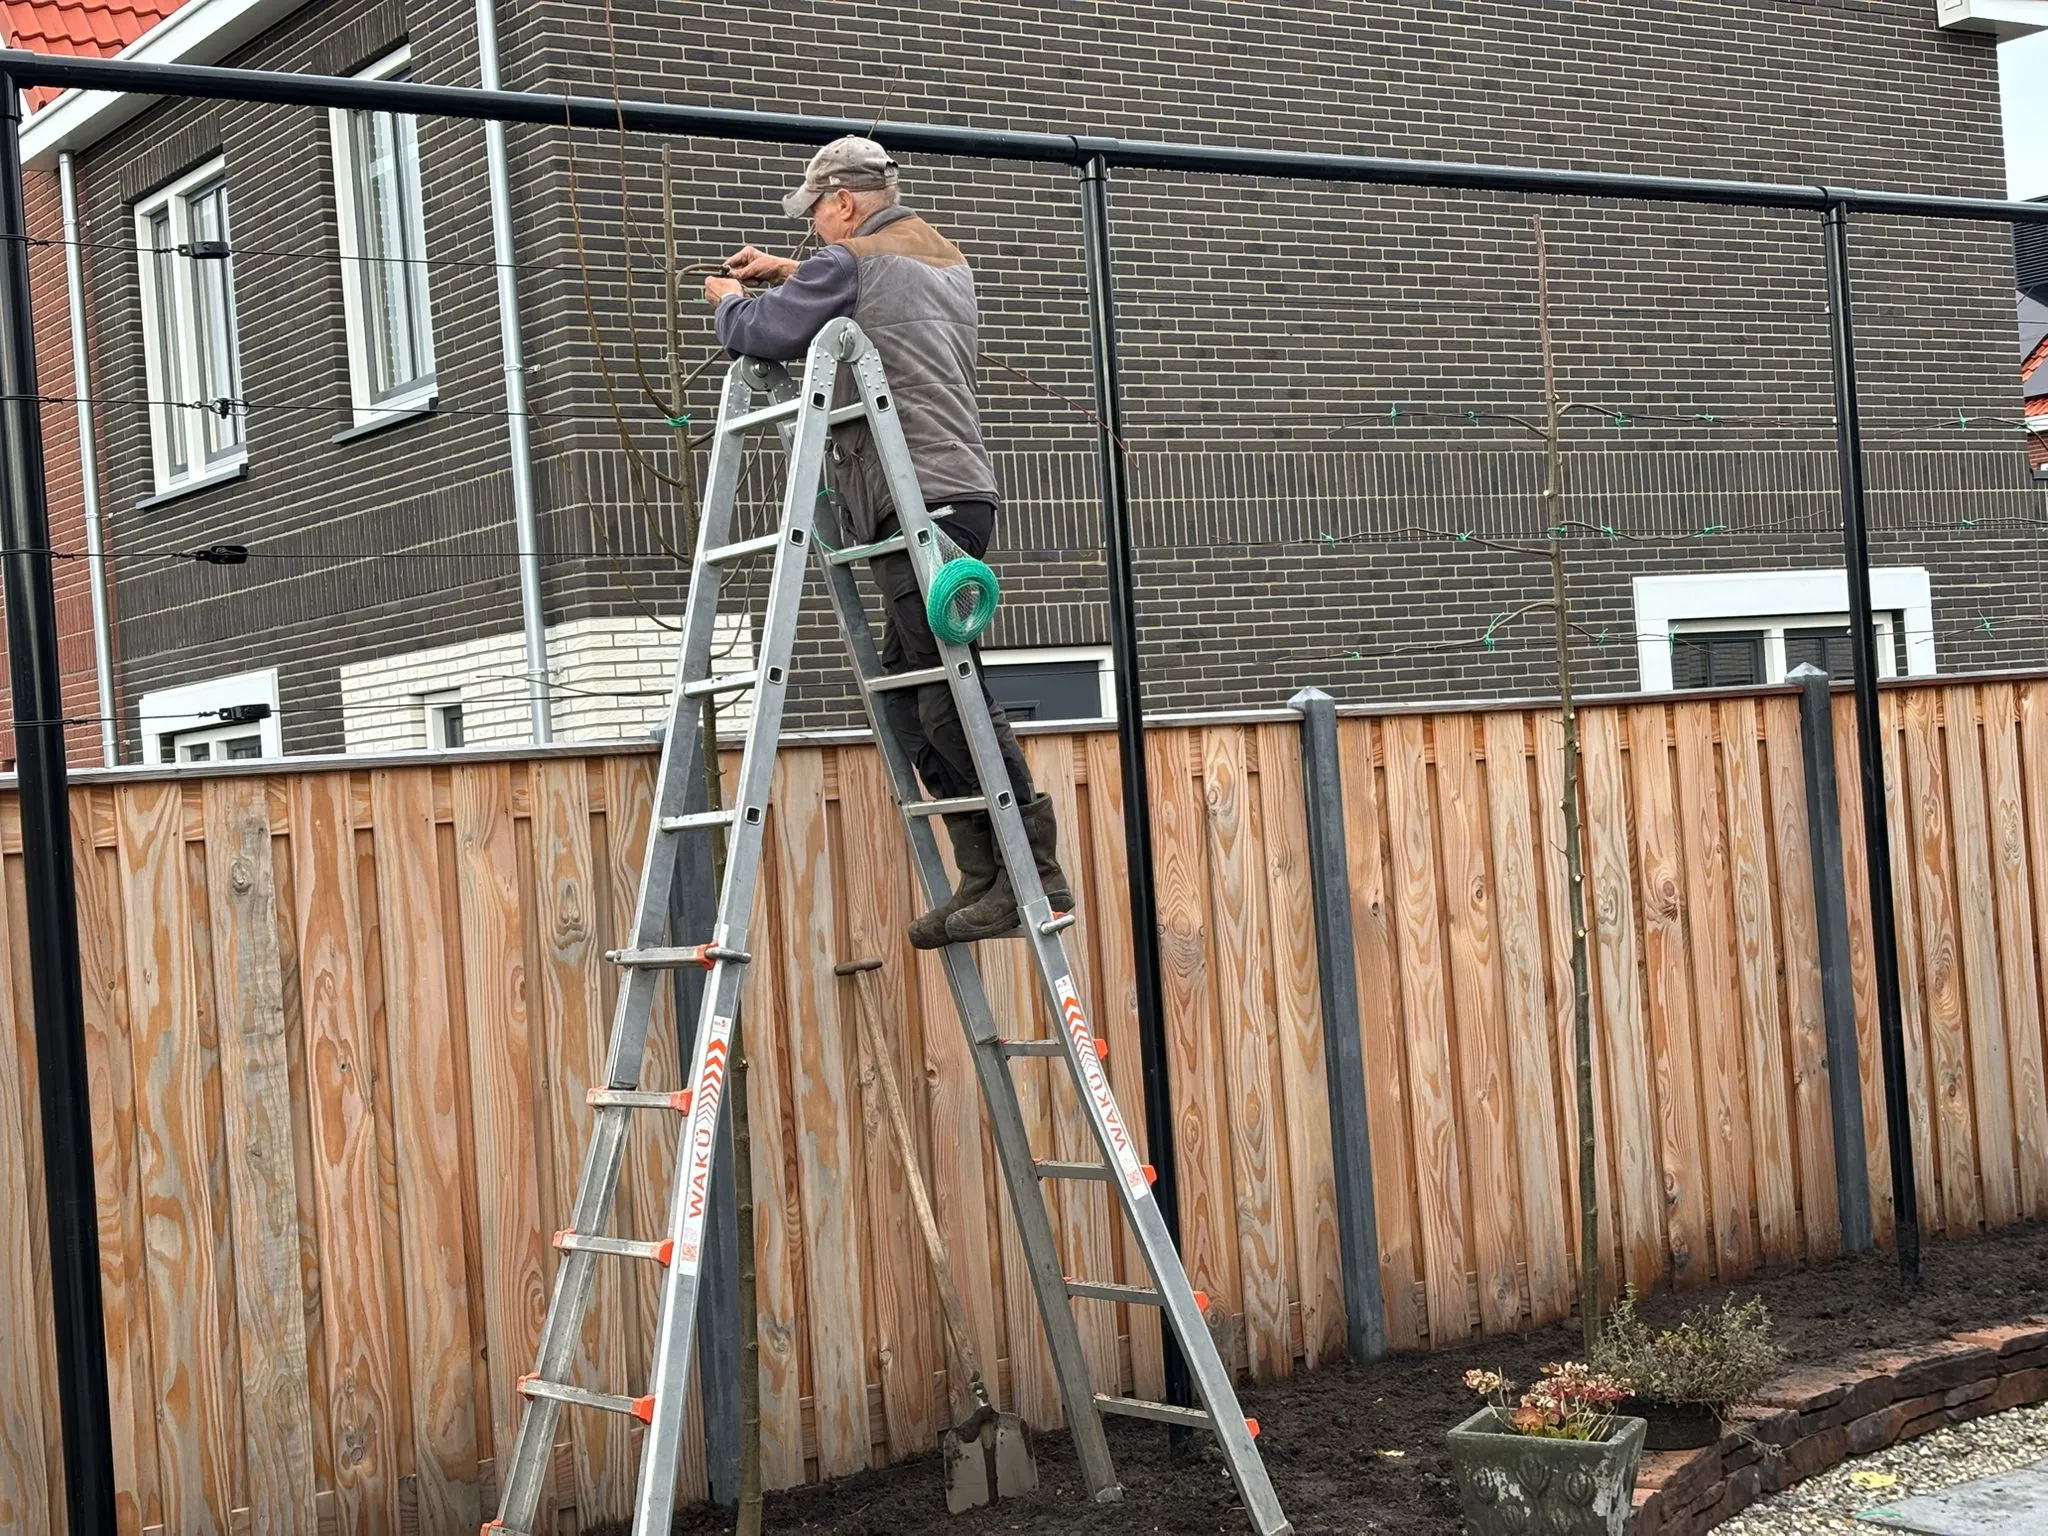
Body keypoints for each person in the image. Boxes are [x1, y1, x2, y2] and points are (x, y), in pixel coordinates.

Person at [703, 136, 1071, 948]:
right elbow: (872, 290)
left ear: (842, 200)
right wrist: (791, 270)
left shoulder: (851, 264)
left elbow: (768, 331)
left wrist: (731, 300)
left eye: (817, 214)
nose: (815, 230)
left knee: (947, 695)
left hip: (918, 503)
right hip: (955, 495)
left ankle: (1032, 876)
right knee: (910, 699)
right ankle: (987, 875)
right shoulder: (942, 258)